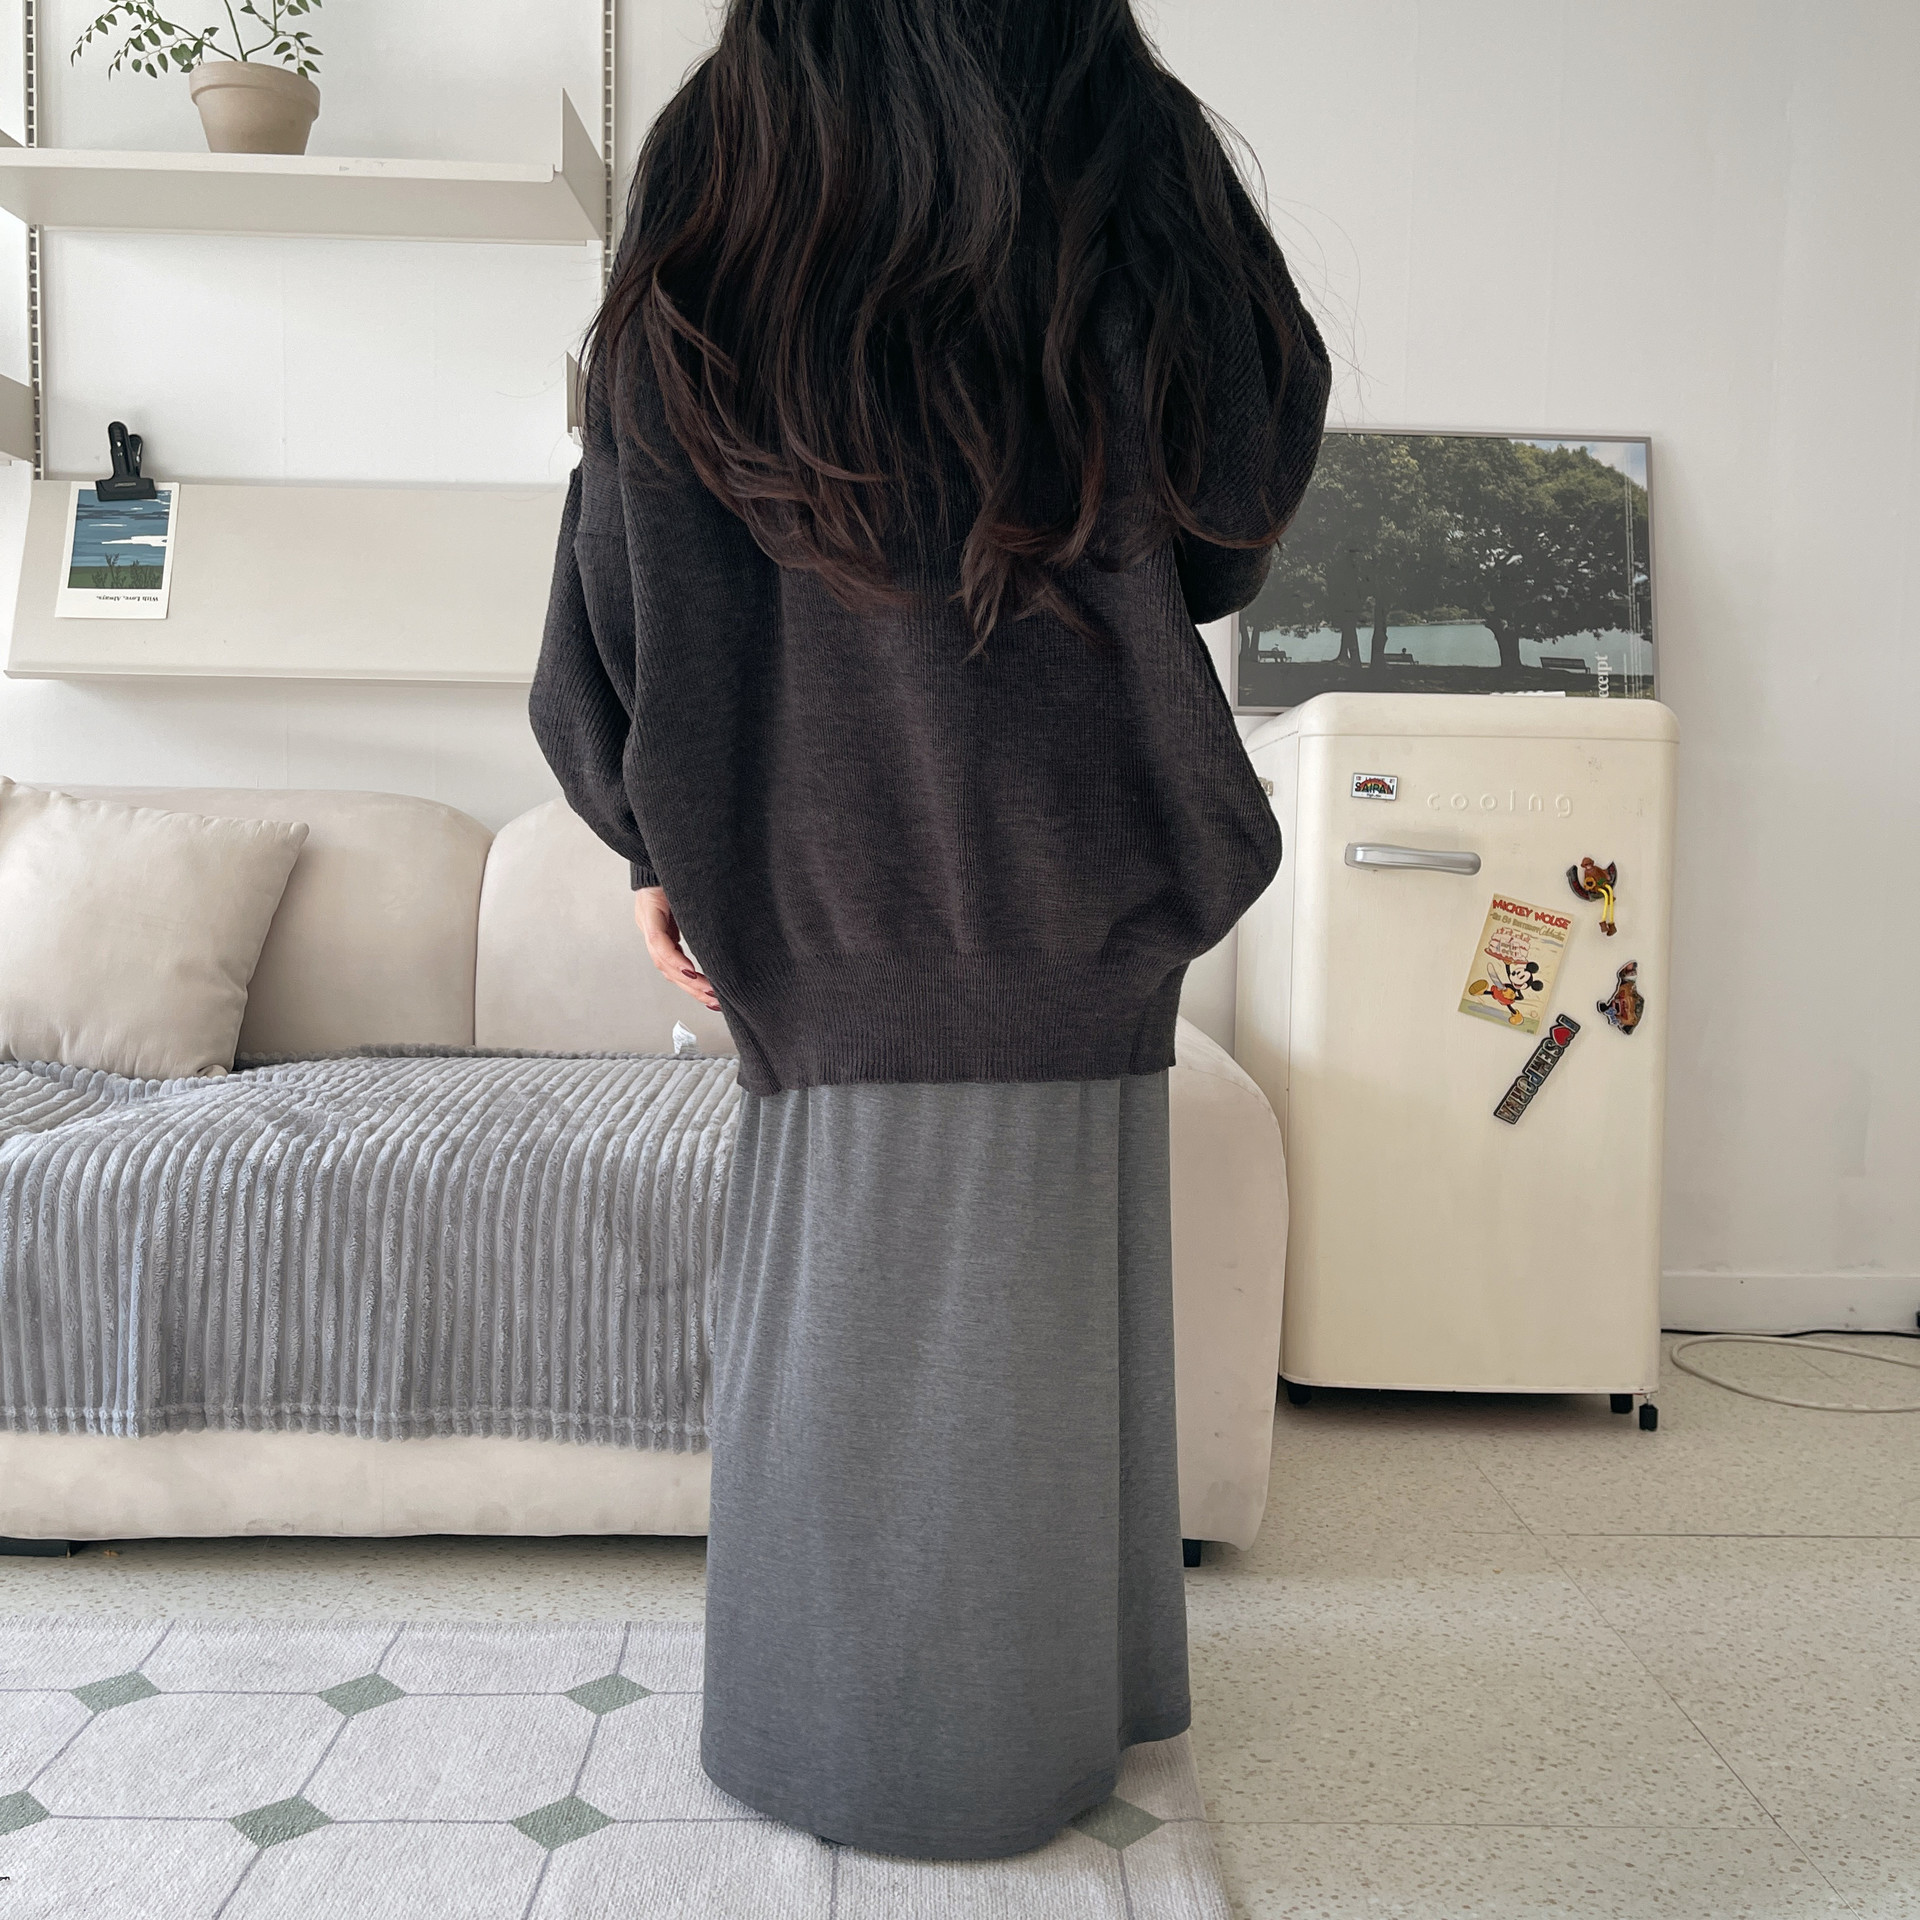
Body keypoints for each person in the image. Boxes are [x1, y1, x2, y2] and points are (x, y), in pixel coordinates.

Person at [529, 0, 1329, 1862]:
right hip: (1081, 860)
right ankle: (1049, 1714)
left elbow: (623, 501)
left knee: (837, 1330)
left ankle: (835, 1726)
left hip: (801, 863)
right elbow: (1237, 499)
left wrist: (648, 825)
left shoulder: (731, 133)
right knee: (1050, 1320)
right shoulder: (1119, 119)